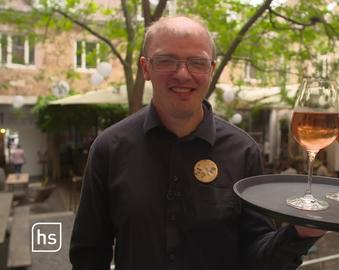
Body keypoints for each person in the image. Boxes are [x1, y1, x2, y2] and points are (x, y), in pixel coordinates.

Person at [70, 16, 324, 270]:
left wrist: (299, 234)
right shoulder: (109, 148)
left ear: (211, 70)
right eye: (167, 60)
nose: (183, 74)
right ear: (146, 68)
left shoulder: (244, 151)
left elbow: (255, 256)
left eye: (197, 62)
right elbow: (88, 255)